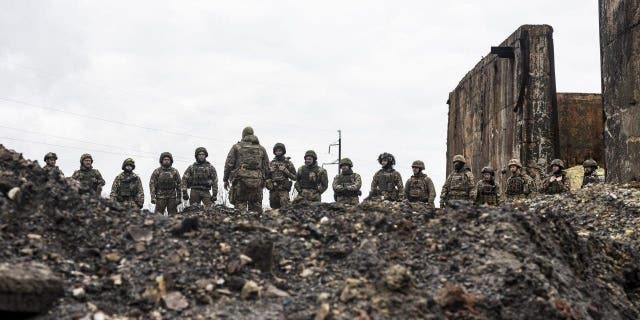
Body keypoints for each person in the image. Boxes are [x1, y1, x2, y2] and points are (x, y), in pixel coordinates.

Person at [223, 127, 269, 213]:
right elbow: (266, 166)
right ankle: (257, 224)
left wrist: (225, 179)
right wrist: (264, 179)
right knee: (256, 206)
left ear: (243, 135)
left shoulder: (237, 147)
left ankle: (241, 224)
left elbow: (229, 164)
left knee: (240, 205)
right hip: (257, 181)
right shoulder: (261, 148)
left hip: (240, 181)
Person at [265, 143, 296, 209]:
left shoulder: (288, 163)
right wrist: (270, 171)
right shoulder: (271, 163)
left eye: (280, 151)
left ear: (283, 151)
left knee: (285, 207)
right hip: (273, 189)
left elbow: (295, 177)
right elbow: (265, 177)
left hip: (283, 189)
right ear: (274, 152)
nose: (278, 152)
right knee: (274, 208)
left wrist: (285, 170)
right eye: (277, 151)